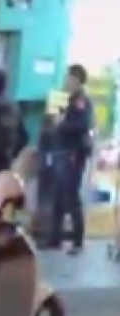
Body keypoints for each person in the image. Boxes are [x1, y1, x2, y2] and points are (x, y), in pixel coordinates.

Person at [46, 63, 94, 255]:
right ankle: (54, 239)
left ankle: (77, 241)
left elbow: (82, 124)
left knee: (71, 196)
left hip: (73, 154)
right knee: (59, 195)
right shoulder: (69, 99)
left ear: (76, 80)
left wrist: (61, 123)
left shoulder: (81, 100)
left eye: (68, 77)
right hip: (63, 152)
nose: (65, 81)